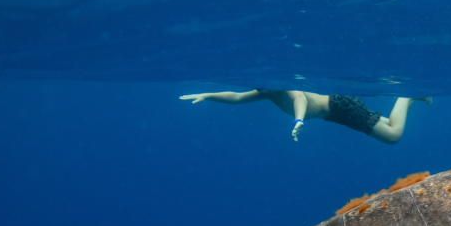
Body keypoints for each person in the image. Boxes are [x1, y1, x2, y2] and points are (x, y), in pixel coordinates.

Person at [180, 89, 430, 143]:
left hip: (340, 106)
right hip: (334, 112)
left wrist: (299, 120)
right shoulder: (265, 91)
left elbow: (299, 98)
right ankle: (409, 97)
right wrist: (208, 95)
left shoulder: (281, 84)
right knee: (386, 125)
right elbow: (235, 97)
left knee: (393, 135)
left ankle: (406, 96)